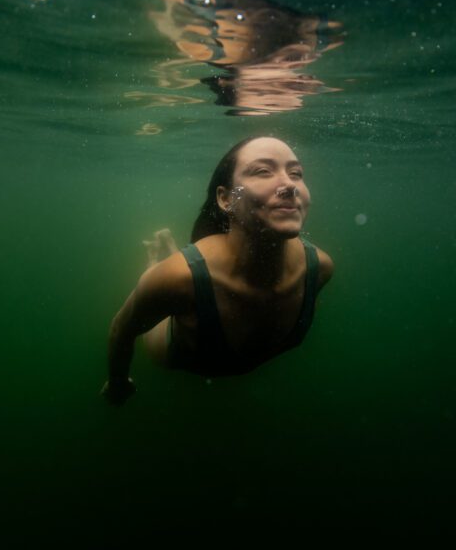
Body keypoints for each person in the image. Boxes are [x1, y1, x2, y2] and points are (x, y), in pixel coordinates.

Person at [101, 136, 334, 405]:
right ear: (226, 199)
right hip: (173, 339)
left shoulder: (320, 269)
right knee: (163, 277)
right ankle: (154, 257)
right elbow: (122, 329)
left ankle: (168, 250)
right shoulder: (177, 280)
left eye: (296, 173)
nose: (289, 185)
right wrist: (118, 382)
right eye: (263, 171)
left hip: (193, 289)